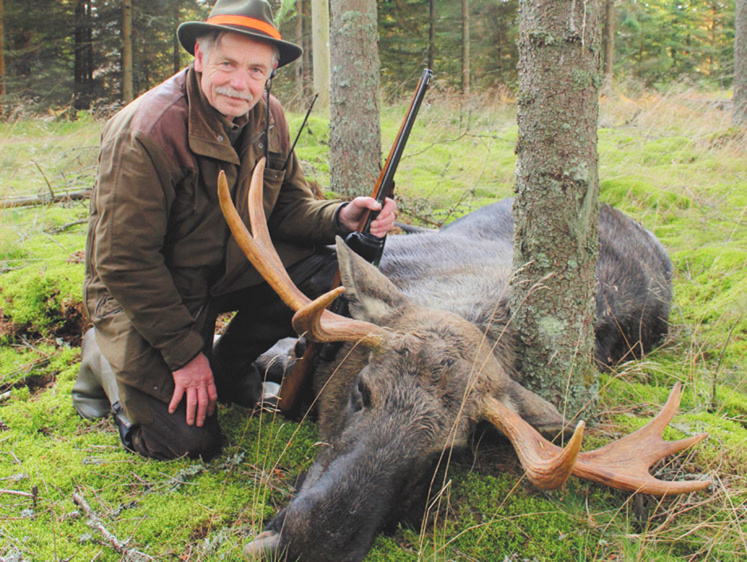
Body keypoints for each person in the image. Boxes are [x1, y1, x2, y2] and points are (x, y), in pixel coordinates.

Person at [71, 0, 396, 461]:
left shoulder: (270, 116)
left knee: (336, 272)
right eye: (228, 64)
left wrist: (341, 216)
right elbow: (125, 263)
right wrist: (185, 356)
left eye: (256, 70)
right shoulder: (145, 132)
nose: (240, 84)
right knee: (185, 444)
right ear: (199, 58)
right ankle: (105, 358)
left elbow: (286, 209)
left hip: (227, 271)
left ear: (271, 72)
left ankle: (227, 365)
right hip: (149, 291)